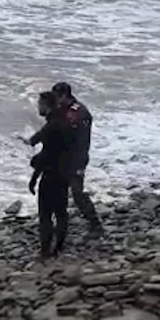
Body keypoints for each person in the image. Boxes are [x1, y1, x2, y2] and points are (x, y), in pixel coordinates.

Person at [51, 82, 103, 237]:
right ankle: (61, 225)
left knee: (77, 193)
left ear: (64, 96)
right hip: (62, 158)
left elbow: (83, 142)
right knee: (58, 192)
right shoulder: (61, 110)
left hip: (76, 159)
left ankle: (95, 223)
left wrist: (80, 163)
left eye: (57, 97)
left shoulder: (80, 113)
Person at [28, 91, 75, 259]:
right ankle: (59, 248)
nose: (38, 108)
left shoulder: (52, 125)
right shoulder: (66, 122)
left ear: (46, 106)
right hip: (64, 174)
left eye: (39, 105)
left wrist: (33, 178)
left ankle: (45, 251)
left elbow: (46, 155)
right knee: (61, 213)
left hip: (50, 176)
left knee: (46, 215)